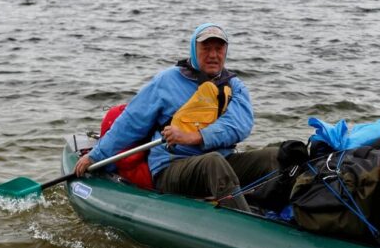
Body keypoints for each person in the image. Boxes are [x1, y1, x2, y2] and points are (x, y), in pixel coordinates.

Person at [74, 23, 276, 210]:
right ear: (194, 50)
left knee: (275, 156)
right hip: (172, 168)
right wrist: (95, 156)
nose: (213, 55)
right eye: (206, 48)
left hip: (222, 162)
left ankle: (281, 214)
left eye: (219, 48)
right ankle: (242, 225)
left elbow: (239, 125)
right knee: (213, 163)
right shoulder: (167, 81)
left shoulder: (234, 86)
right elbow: (129, 124)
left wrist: (196, 136)